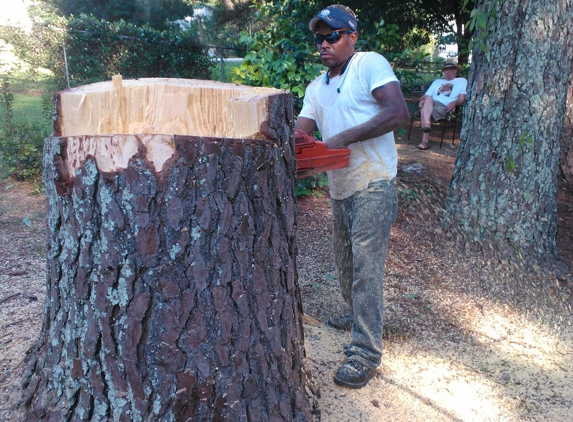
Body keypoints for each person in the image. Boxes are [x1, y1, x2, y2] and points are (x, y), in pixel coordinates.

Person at [294, 5, 409, 389]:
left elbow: (398, 111)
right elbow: (302, 128)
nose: (324, 44)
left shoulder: (368, 64)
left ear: (352, 36)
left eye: (333, 36)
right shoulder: (316, 86)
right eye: (319, 38)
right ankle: (358, 313)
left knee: (365, 267)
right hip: (341, 186)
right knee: (344, 262)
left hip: (374, 181)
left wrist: (342, 138)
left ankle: (365, 351)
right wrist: (295, 142)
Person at [417, 61, 467, 150]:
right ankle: (427, 125)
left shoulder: (461, 81)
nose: (447, 72)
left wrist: (455, 103)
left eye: (450, 69)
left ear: (455, 70)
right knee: (428, 99)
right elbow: (426, 95)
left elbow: (461, 99)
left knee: (423, 110)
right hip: (432, 103)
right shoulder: (437, 81)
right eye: (445, 70)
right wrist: (422, 100)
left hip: (445, 106)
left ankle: (424, 141)